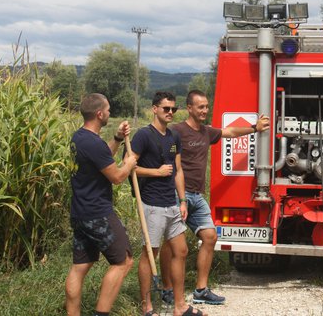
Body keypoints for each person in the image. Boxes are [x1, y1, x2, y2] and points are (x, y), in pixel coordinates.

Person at [162, 89, 270, 305]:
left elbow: (229, 132)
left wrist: (254, 128)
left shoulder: (206, 132)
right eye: (200, 107)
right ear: (189, 108)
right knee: (171, 244)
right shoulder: (176, 131)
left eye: (206, 106)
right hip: (176, 194)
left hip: (196, 196)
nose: (205, 110)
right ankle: (167, 288)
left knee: (210, 237)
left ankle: (201, 290)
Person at [129, 91, 206, 316]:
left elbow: (178, 171)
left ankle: (179, 306)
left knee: (180, 251)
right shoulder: (143, 135)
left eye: (173, 109)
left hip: (171, 204)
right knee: (149, 253)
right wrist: (156, 171)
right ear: (155, 109)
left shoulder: (173, 137)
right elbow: (129, 167)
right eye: (166, 108)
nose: (170, 112)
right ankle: (147, 306)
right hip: (151, 204)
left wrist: (182, 200)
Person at [65, 93, 138, 316]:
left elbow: (102, 156)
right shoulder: (92, 143)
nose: (109, 113)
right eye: (107, 109)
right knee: (123, 262)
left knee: (80, 267)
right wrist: (129, 163)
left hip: (80, 212)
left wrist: (116, 138)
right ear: (99, 114)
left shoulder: (79, 138)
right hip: (97, 213)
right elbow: (116, 176)